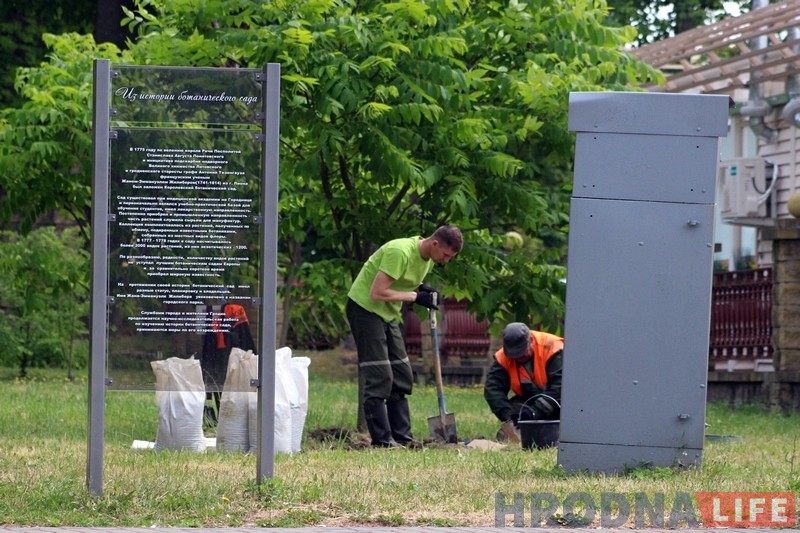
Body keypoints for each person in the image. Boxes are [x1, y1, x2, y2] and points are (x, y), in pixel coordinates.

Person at [346, 225, 463, 447]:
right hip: (365, 309)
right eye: (446, 255)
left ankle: (403, 438)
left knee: (401, 374)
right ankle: (382, 441)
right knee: (380, 375)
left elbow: (403, 280)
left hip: (387, 313)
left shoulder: (428, 259)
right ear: (435, 243)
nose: (445, 261)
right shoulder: (399, 252)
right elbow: (377, 292)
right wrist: (415, 297)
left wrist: (423, 289)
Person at [483, 322, 563, 440]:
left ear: (531, 340)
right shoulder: (505, 357)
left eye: (521, 352)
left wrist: (534, 412)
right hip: (529, 403)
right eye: (513, 355)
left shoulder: (552, 348)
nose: (518, 357)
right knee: (514, 417)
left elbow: (560, 387)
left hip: (560, 405)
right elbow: (492, 389)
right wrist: (509, 416)